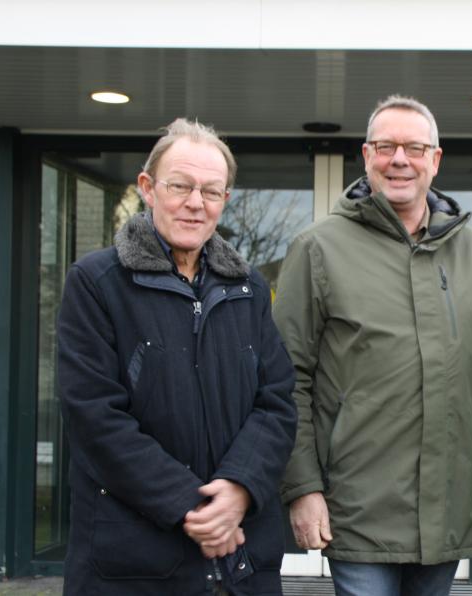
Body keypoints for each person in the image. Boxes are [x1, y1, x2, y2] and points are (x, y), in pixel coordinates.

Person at [274, 95, 472, 596]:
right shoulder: (317, 249)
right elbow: (285, 380)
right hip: (357, 508)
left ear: (435, 159)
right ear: (366, 154)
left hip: (450, 507)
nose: (400, 159)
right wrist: (303, 488)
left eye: (415, 148)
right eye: (386, 146)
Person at [56, 118, 298, 594]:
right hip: (134, 566)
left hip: (240, 563)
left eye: (211, 191)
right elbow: (96, 416)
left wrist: (240, 488)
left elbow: (277, 402)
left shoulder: (248, 288)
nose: (195, 203)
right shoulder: (96, 283)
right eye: (180, 186)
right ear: (148, 188)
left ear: (225, 200)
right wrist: (196, 507)